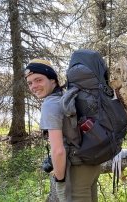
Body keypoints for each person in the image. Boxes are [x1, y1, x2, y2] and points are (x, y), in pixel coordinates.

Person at [25, 59, 101, 202]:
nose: (34, 86)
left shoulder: (50, 104)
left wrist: (60, 181)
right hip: (91, 165)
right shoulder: (66, 97)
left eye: (38, 80)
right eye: (30, 83)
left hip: (76, 172)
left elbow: (58, 151)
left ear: (52, 79)